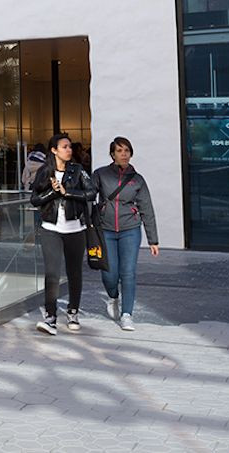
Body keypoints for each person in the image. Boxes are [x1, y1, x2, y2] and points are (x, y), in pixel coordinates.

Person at [31, 132, 97, 335]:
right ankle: (50, 317)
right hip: (51, 229)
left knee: (74, 272)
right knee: (51, 273)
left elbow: (92, 192)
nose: (69, 150)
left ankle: (73, 311)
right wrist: (52, 193)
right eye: (64, 147)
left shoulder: (78, 171)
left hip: (75, 229)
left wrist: (67, 193)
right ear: (54, 150)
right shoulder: (44, 172)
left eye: (69, 146)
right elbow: (35, 199)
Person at [92, 136, 159, 331]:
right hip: (106, 230)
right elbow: (89, 195)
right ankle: (113, 297)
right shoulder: (101, 174)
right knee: (109, 275)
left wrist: (153, 239)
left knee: (128, 272)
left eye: (127, 151)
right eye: (120, 151)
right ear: (112, 154)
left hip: (130, 230)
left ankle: (127, 314)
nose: (124, 154)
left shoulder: (137, 180)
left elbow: (147, 208)